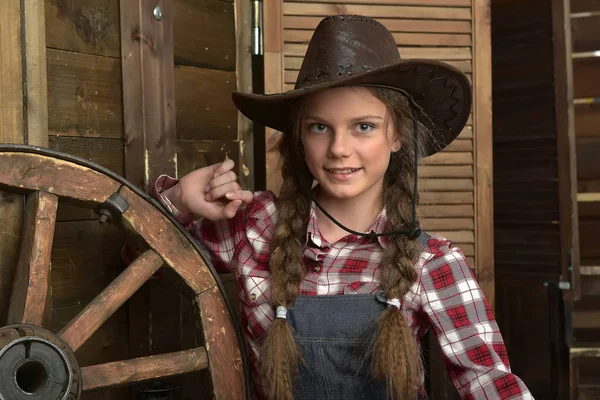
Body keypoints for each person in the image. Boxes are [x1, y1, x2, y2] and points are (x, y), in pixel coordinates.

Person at [148, 14, 533, 400]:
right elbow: (144, 267)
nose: (338, 149)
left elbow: (491, 383)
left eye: (363, 126)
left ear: (397, 135)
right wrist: (178, 199)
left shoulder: (432, 262)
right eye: (319, 127)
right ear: (299, 135)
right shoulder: (254, 226)